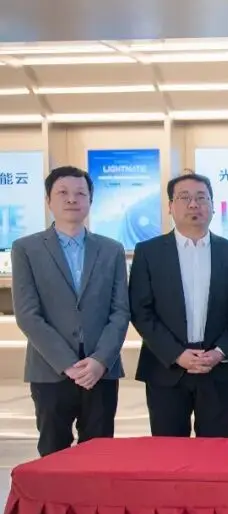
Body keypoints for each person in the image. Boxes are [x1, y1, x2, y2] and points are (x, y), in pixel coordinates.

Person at [11, 166, 130, 457]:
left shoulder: (111, 249)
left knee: (99, 455)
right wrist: (67, 363)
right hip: (50, 370)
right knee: (53, 453)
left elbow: (120, 311)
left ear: (91, 200)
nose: (72, 199)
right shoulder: (26, 249)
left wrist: (100, 361)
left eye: (80, 193)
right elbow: (27, 314)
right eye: (62, 192)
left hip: (100, 371)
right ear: (48, 200)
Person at [129, 173, 228, 438]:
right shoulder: (149, 252)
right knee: (169, 453)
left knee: (216, 451)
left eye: (201, 198)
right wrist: (176, 354)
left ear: (213, 206)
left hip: (218, 368)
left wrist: (220, 352)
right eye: (184, 197)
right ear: (170, 206)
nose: (194, 204)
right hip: (165, 368)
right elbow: (140, 310)